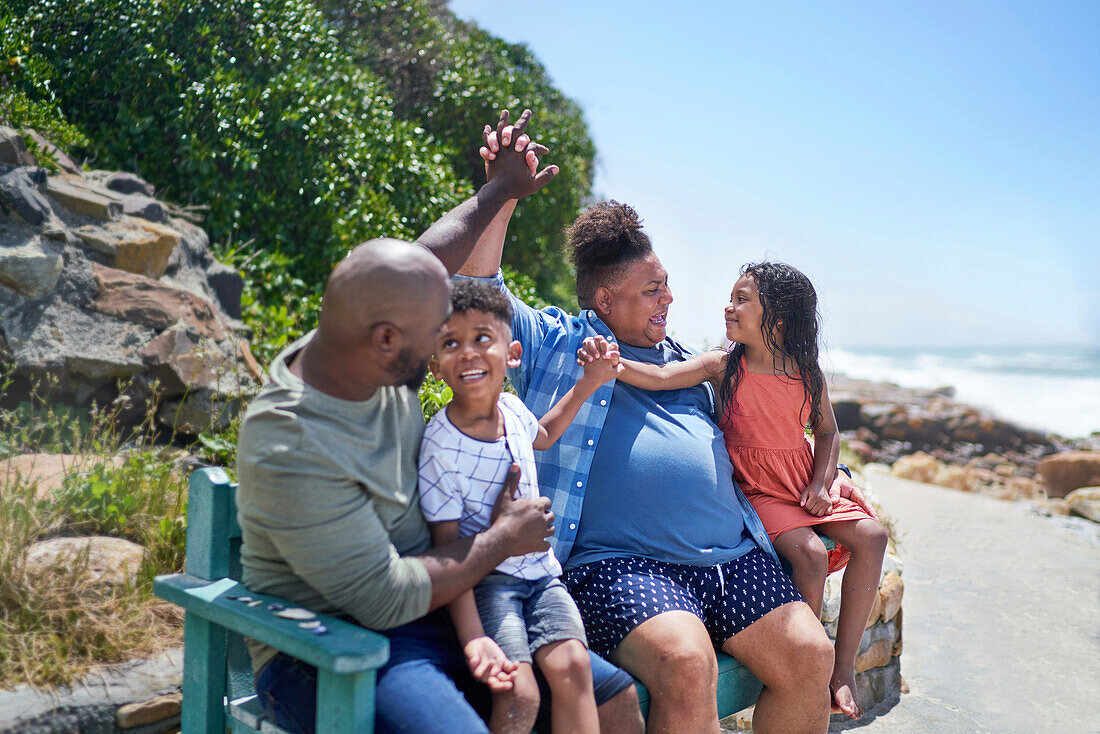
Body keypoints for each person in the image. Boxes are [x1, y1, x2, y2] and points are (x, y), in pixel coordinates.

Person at [235, 109, 643, 734]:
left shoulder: (358, 346)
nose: (444, 356)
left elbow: (425, 259)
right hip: (336, 645)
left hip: (445, 601)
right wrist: (504, 539)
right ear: (388, 338)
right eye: (436, 338)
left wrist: (498, 191)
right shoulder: (293, 440)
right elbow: (384, 597)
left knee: (613, 701)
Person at [459, 122, 839, 734]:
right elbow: (479, 290)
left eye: (666, 285)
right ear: (606, 302)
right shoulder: (560, 342)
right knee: (687, 663)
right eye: (653, 289)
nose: (670, 297)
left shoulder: (695, 362)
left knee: (809, 656)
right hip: (622, 568)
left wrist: (830, 478)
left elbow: (770, 432)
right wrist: (503, 194)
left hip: (734, 559)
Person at [579, 261, 889, 719]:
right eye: (731, 296)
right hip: (760, 491)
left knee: (874, 537)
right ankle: (787, 660)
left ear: (778, 321)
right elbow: (662, 377)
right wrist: (615, 366)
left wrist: (823, 483)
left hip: (802, 482)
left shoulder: (806, 372)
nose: (729, 306)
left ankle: (839, 668)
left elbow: (828, 432)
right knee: (810, 553)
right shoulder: (725, 365)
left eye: (742, 300)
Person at [419, 280, 622, 733]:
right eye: (451, 343)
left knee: (573, 666)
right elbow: (447, 552)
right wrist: (473, 639)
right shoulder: (440, 446)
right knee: (520, 694)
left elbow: (546, 434)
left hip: (543, 576)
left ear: (511, 354)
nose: (468, 353)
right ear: (435, 365)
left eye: (482, 339)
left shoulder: (511, 408)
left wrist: (589, 382)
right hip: (488, 585)